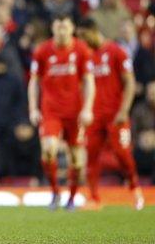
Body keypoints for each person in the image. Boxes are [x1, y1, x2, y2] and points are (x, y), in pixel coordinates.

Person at [75, 18, 144, 210]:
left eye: (83, 36)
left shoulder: (116, 51)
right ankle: (94, 198)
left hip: (115, 115)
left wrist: (124, 110)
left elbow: (129, 82)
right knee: (91, 155)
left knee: (123, 155)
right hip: (94, 116)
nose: (82, 41)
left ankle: (136, 191)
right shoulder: (86, 56)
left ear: (93, 31)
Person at [28, 14, 95, 211]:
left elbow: (89, 80)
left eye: (65, 27)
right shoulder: (42, 51)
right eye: (58, 27)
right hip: (51, 111)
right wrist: (33, 108)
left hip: (74, 112)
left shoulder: (82, 50)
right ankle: (55, 192)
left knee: (77, 158)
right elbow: (34, 81)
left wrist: (87, 108)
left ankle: (72, 198)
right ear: (53, 28)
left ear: (72, 28)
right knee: (49, 150)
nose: (62, 31)